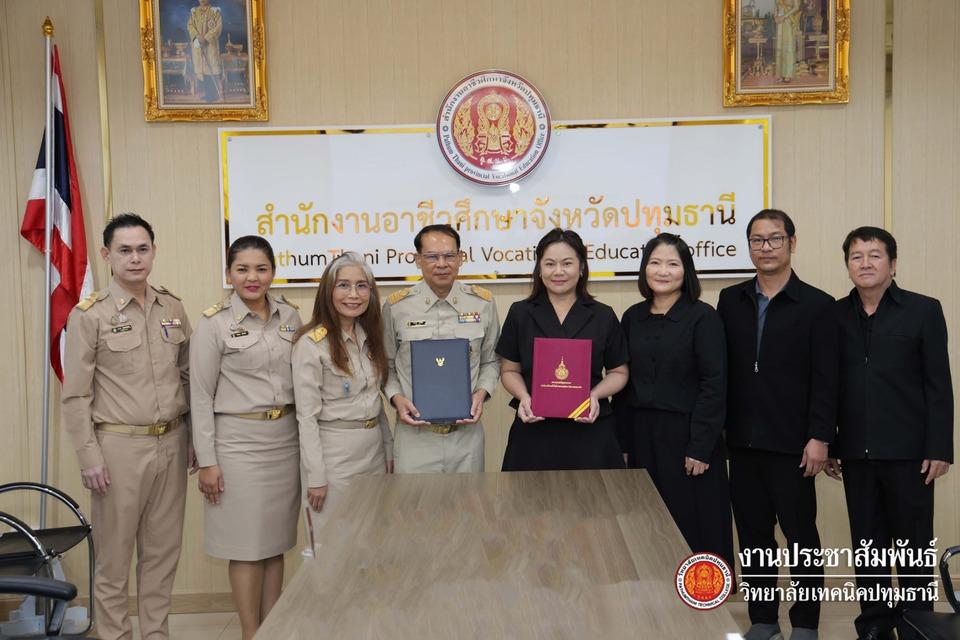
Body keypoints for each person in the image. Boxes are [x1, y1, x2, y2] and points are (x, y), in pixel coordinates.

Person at [62, 213, 194, 640]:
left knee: (161, 556)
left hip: (172, 444)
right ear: (107, 255)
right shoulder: (90, 315)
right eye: (124, 250)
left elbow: (188, 377)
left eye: (142, 249)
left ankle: (156, 635)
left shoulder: (172, 307)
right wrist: (89, 456)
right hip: (118, 449)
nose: (135, 258)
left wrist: (193, 439)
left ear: (153, 251)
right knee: (114, 561)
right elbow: (76, 395)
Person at [827, 227, 953, 640]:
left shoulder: (923, 310)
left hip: (910, 454)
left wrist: (939, 447)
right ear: (847, 266)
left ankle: (918, 626)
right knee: (868, 547)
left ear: (893, 264)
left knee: (913, 547)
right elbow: (825, 385)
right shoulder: (834, 316)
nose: (865, 263)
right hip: (856, 455)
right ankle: (875, 627)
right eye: (856, 256)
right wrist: (827, 439)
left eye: (875, 255)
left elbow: (939, 384)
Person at [717, 209, 837, 640]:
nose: (765, 247)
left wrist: (821, 436)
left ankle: (805, 623)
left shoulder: (819, 305)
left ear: (792, 242)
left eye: (774, 239)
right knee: (753, 537)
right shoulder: (731, 300)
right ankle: (763, 619)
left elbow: (827, 379)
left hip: (794, 443)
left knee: (801, 536)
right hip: (742, 441)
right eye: (757, 240)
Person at [190, 236, 301, 640]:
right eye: (242, 269)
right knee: (246, 545)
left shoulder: (290, 316)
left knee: (274, 542)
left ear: (273, 271)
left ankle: (272, 628)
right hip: (237, 442)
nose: (252, 278)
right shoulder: (214, 323)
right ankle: (250, 633)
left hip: (285, 440)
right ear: (229, 274)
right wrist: (208, 460)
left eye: (261, 269)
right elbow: (200, 396)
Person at [615, 233, 733, 567]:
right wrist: (621, 442)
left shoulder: (703, 317)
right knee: (645, 522)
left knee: (695, 524)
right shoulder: (632, 317)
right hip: (641, 437)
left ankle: (705, 606)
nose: (662, 271)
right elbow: (622, 383)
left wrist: (700, 445)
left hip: (688, 438)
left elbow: (715, 384)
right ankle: (656, 610)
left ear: (687, 271)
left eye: (672, 264)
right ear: (644, 269)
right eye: (655, 263)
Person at [497, 228, 629, 471]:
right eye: (549, 264)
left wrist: (595, 395)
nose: (558, 271)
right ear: (539, 269)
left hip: (590, 431)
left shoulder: (603, 315)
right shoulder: (520, 313)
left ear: (581, 268)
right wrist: (524, 397)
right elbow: (509, 370)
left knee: (594, 505)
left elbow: (619, 372)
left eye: (567, 263)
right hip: (534, 430)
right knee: (531, 506)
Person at [382, 224, 500, 473]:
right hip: (415, 438)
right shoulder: (396, 308)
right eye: (432, 257)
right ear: (417, 260)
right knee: (415, 511)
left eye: (449, 256)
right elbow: (386, 365)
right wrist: (396, 398)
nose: (442, 264)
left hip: (466, 438)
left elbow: (491, 361)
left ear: (461, 258)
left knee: (469, 510)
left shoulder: (483, 303)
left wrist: (482, 393)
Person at [292, 252, 394, 538]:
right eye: (344, 285)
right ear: (328, 291)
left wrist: (388, 447)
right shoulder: (311, 344)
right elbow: (306, 418)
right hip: (334, 458)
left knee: (370, 544)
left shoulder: (369, 337)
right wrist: (316, 476)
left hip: (372, 454)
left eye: (362, 286)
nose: (354, 294)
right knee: (332, 547)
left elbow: (375, 401)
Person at [187, 0, 223, 101]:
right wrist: (197, 36)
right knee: (202, 70)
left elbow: (218, 28)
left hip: (210, 45)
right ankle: (208, 94)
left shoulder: (215, 12)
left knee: (210, 68)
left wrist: (206, 37)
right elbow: (190, 26)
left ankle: (213, 95)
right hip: (198, 44)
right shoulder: (194, 12)